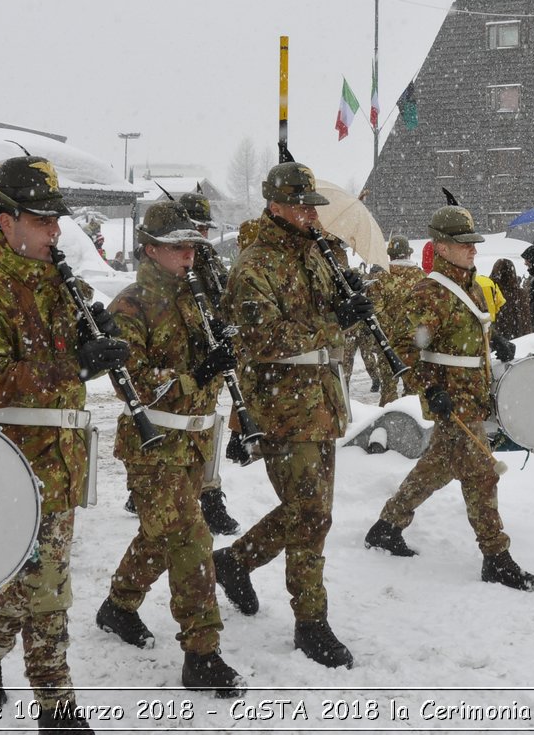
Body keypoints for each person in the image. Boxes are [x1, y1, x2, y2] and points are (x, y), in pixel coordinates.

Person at [0, 155, 129, 732]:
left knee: (40, 575)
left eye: (55, 220)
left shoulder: (53, 279)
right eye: (43, 220)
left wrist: (95, 335)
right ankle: (57, 706)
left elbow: (58, 357)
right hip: (12, 462)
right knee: (48, 583)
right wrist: (74, 363)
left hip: (57, 458)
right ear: (6, 223)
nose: (55, 230)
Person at [94, 201, 244, 696]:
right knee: (190, 540)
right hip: (153, 444)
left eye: (193, 247)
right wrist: (195, 373)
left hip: (194, 442)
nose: (189, 256)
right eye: (179, 248)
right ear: (151, 250)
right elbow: (132, 384)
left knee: (162, 533)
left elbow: (213, 372)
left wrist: (224, 355)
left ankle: (120, 604)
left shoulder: (196, 299)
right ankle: (202, 653)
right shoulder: (131, 305)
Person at [212, 162, 357, 669]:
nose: (308, 215)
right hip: (280, 404)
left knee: (308, 510)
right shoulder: (254, 266)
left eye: (311, 207)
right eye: (299, 206)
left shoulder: (316, 254)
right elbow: (262, 339)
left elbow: (329, 317)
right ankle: (311, 621)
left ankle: (235, 561)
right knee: (312, 513)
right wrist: (330, 322)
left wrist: (352, 299)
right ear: (274, 206)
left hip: (320, 401)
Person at [364, 206, 534, 591]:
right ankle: (496, 556)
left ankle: (387, 524)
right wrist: (429, 389)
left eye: (474, 243)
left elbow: (469, 334)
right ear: (441, 248)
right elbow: (402, 348)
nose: (473, 250)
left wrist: (497, 345)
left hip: (472, 396)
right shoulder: (429, 293)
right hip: (452, 400)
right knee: (481, 474)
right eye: (464, 244)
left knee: (438, 466)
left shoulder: (471, 286)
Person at [175, 191, 242, 538]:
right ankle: (207, 500)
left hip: (210, 351)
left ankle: (211, 497)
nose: (200, 234)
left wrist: (223, 324)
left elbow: (223, 295)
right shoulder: (171, 261)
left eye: (203, 227)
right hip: (182, 355)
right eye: (195, 226)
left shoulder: (209, 257)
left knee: (205, 425)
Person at [366, 235, 427, 405]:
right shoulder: (422, 277)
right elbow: (425, 312)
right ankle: (411, 425)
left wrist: (391, 332)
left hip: (387, 343)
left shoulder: (379, 279)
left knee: (388, 390)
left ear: (390, 255)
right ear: (408, 254)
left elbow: (375, 311)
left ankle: (387, 427)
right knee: (413, 392)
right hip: (414, 342)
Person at [492, 258, 532, 342]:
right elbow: (526, 321)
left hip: (495, 339)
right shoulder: (520, 294)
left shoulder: (490, 291)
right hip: (517, 339)